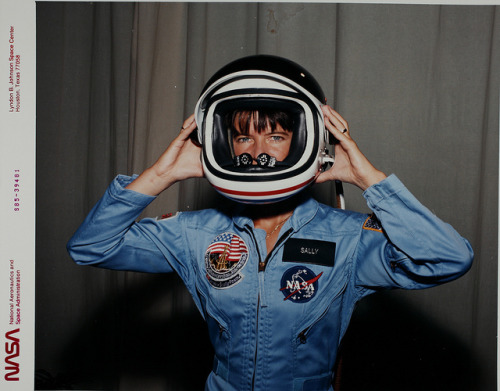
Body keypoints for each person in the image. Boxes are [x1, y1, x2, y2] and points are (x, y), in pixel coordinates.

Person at [67, 55, 473, 391]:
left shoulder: (347, 239)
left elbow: (448, 259)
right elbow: (91, 246)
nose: (257, 151)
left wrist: (367, 178)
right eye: (243, 138)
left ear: (304, 141)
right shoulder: (195, 233)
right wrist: (159, 175)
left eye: (276, 137)